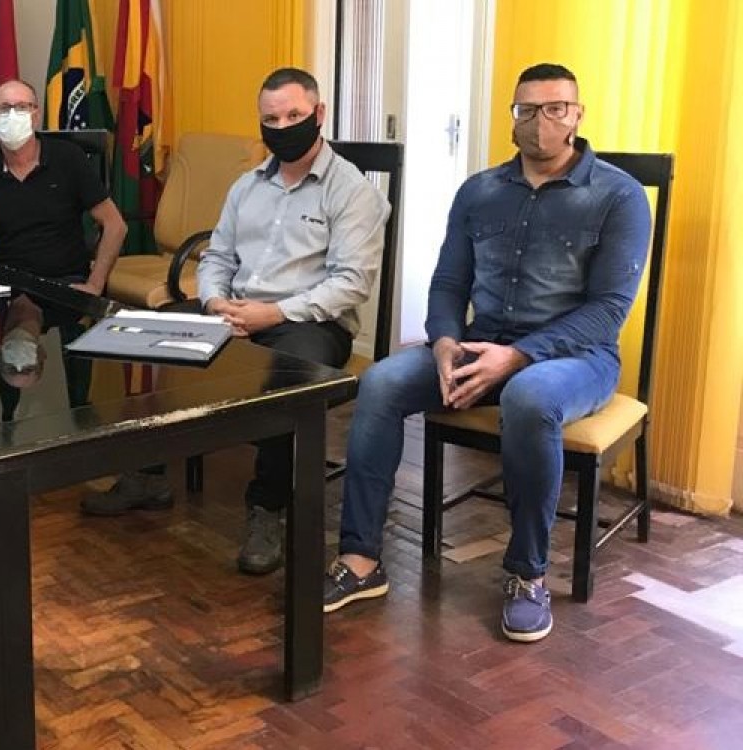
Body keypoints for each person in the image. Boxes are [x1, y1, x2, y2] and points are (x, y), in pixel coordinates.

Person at [325, 63, 651, 643]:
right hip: (481, 343)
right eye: (527, 109)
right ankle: (361, 558)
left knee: (529, 397)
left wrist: (518, 356)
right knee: (380, 382)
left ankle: (527, 575)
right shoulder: (479, 191)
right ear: (512, 117)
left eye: (555, 108)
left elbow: (607, 310)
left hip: (579, 357)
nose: (540, 121)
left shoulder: (618, 196)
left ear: (577, 115)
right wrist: (445, 340)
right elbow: (449, 283)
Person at [82, 68, 389, 580]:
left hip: (309, 321)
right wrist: (214, 301)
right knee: (143, 337)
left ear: (319, 114)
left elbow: (351, 284)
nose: (282, 127)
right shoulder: (247, 185)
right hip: (233, 311)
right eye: (271, 119)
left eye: (294, 115)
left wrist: (274, 313)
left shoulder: (351, 190)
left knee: (288, 376)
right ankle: (147, 473)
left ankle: (268, 508)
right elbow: (218, 255)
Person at [0, 77, 128, 420]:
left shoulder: (68, 158)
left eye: (21, 107)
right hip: (8, 282)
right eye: (3, 108)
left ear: (36, 115)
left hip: (66, 284)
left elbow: (115, 225)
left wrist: (95, 284)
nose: (12, 115)